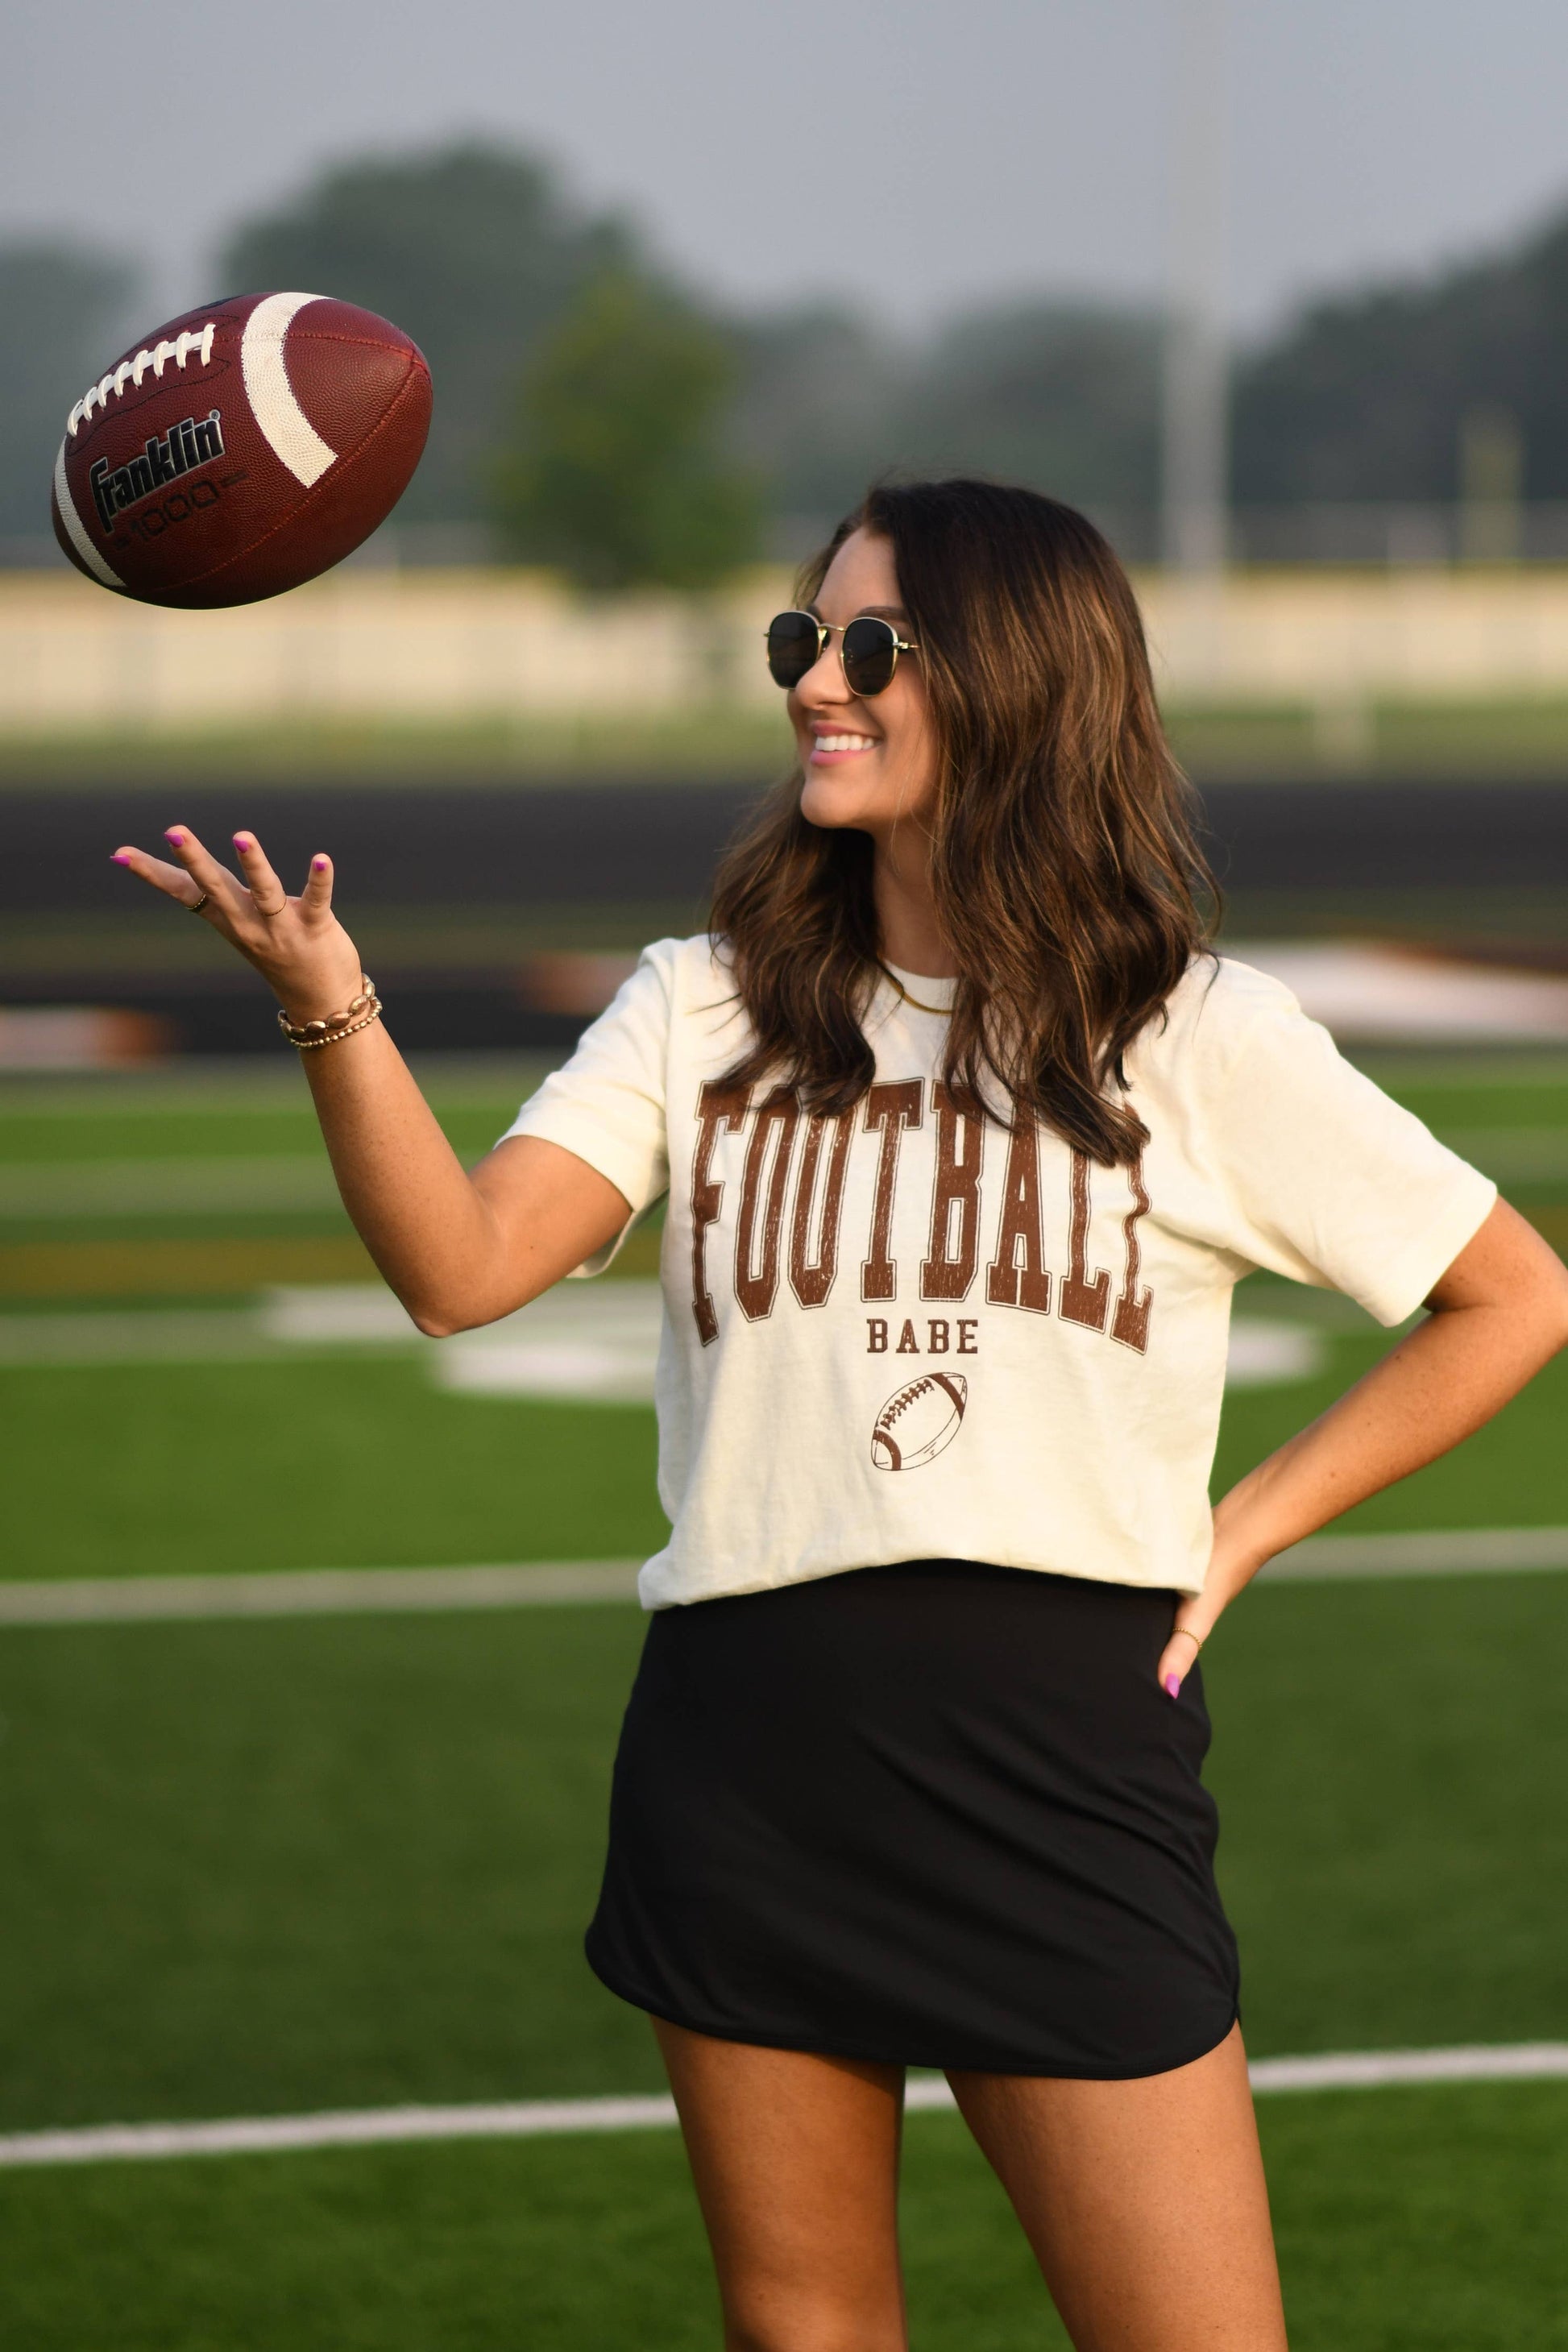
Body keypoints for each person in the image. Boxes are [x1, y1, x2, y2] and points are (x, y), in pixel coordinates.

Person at [113, 479, 1568, 2352]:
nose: (817, 681)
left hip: (1056, 1763)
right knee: (805, 2333)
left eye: (870, 646)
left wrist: (1244, 1526)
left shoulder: (1194, 1034)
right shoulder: (697, 1008)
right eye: (803, 639)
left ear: (1023, 683)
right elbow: (464, 1267)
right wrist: (335, 1011)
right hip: (748, 1751)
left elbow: (1512, 1294)